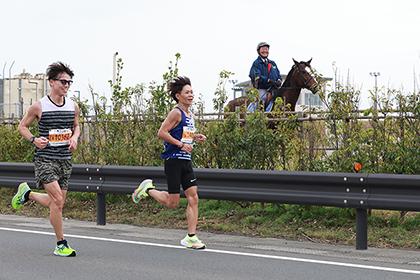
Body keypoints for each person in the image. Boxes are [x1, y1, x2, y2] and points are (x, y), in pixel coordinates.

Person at [11, 62, 80, 257]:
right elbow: (22, 126)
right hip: (45, 159)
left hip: (65, 160)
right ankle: (61, 244)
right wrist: (34, 139)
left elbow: (77, 126)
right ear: (51, 82)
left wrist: (74, 138)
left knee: (56, 203)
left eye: (69, 82)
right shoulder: (39, 106)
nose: (66, 85)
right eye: (63, 81)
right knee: (57, 200)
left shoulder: (73, 105)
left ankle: (27, 194)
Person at [132, 76, 207, 249]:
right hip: (173, 161)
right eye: (187, 92)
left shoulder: (190, 114)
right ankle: (148, 189)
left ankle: (191, 237)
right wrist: (181, 145)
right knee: (172, 203)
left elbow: (182, 133)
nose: (191, 95)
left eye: (192, 92)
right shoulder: (176, 112)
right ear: (178, 96)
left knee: (193, 198)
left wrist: (196, 137)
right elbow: (162, 132)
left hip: (186, 161)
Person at [248, 42, 282, 112]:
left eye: (266, 49)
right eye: (263, 49)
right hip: (262, 89)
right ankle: (249, 115)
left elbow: (278, 74)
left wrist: (279, 80)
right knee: (259, 100)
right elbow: (256, 75)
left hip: (273, 89)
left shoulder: (273, 63)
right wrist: (268, 80)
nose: (265, 51)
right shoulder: (256, 63)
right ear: (258, 51)